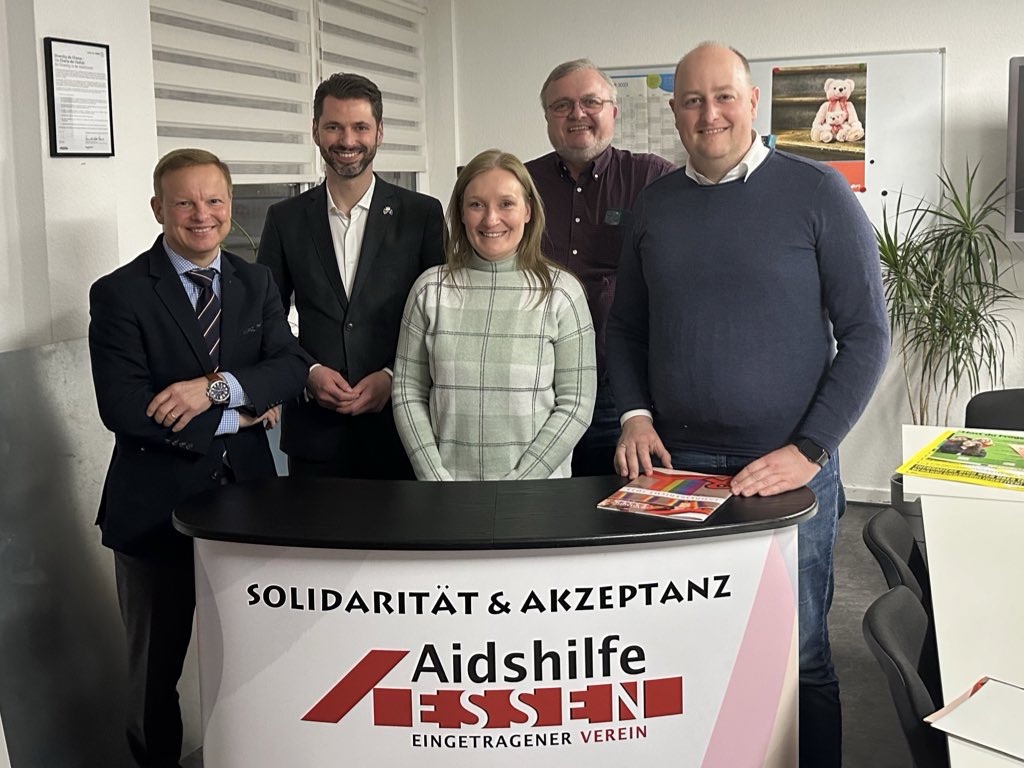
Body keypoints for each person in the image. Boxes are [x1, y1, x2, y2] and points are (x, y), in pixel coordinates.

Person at [606, 43, 890, 767]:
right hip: (678, 470)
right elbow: (626, 327)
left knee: (799, 653)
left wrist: (810, 449)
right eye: (693, 100)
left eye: (724, 96)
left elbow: (867, 335)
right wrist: (634, 412)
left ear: (753, 101)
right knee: (688, 651)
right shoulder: (654, 205)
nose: (710, 114)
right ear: (675, 111)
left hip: (786, 468)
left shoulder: (818, 192)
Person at [88, 148, 308, 767]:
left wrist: (212, 390)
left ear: (230, 205)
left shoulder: (255, 282)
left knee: (254, 662)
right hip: (155, 513)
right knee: (154, 677)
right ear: (158, 208)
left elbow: (290, 367)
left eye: (213, 200)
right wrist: (239, 412)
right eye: (184, 202)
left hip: (249, 510)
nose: (201, 215)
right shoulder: (120, 293)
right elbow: (125, 408)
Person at [258, 73, 445, 480]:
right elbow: (266, 316)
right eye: (334, 127)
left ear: (379, 132)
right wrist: (306, 371)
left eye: (360, 127)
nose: (347, 140)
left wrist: (393, 377)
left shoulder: (423, 215)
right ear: (315, 131)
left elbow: (440, 318)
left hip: (403, 432)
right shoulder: (285, 219)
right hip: (315, 436)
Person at [392, 149, 597, 480]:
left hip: (536, 494)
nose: (490, 219)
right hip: (447, 494)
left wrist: (520, 484)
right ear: (461, 213)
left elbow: (576, 404)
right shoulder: (430, 290)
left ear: (528, 210)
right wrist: (435, 478)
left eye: (506, 204)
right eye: (476, 205)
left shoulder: (562, 293)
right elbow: (407, 392)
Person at [525, 59, 673, 477]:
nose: (578, 114)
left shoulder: (652, 179)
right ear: (547, 116)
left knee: (618, 505)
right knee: (541, 505)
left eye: (591, 102)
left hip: (621, 394)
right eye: (562, 105)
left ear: (613, 111)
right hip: (538, 388)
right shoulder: (522, 183)